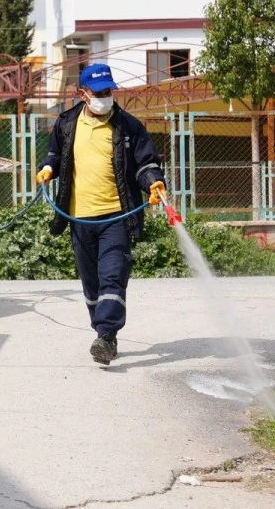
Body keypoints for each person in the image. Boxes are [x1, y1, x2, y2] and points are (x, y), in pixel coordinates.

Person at [36, 63, 168, 365]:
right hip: (79, 218)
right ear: (82, 94)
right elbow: (55, 154)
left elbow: (145, 163)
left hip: (116, 217)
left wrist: (153, 182)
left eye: (108, 91)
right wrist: (47, 169)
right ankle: (103, 332)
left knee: (113, 275)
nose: (105, 97)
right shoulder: (66, 123)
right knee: (92, 283)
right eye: (98, 93)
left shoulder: (129, 126)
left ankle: (106, 335)